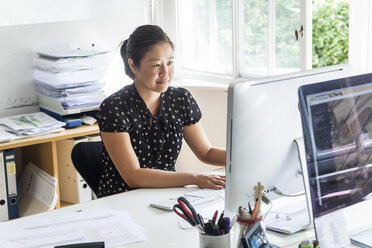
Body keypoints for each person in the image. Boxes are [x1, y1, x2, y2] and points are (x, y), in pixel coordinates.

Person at [96, 24, 226, 198]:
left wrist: (245, 157)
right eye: (156, 65)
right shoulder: (115, 107)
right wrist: (195, 178)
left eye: (170, 62)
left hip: (167, 195)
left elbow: (206, 152)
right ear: (133, 65)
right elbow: (133, 176)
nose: (166, 73)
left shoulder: (181, 99)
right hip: (122, 200)